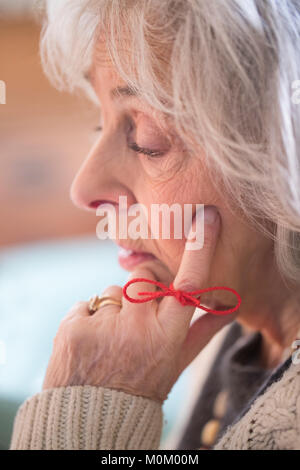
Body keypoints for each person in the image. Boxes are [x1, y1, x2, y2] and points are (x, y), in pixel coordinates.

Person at [10, 0, 300, 450]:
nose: (83, 188)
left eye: (147, 140)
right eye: (97, 124)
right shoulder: (229, 324)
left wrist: (84, 413)